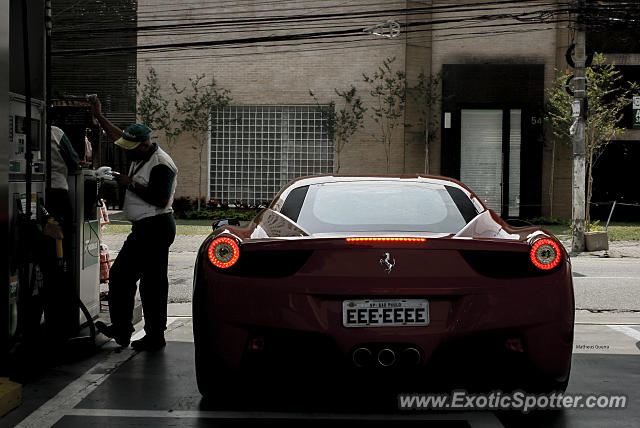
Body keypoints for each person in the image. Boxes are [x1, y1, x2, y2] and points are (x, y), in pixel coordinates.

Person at [90, 97, 178, 351]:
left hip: (155, 226)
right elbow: (118, 136)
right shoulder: (141, 154)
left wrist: (131, 183)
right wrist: (100, 116)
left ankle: (143, 334)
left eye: (129, 147)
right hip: (146, 228)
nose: (124, 150)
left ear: (141, 145)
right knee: (136, 279)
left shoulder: (161, 164)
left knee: (141, 281)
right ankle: (127, 330)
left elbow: (161, 200)